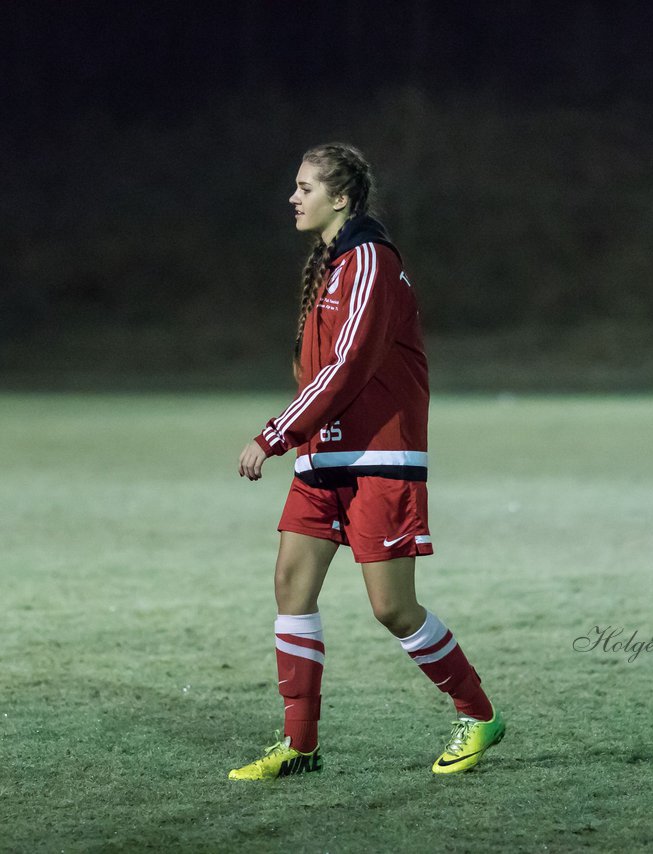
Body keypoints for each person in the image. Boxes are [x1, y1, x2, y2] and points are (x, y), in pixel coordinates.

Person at [229, 143, 504, 780]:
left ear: (341, 197)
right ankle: (300, 746)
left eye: (304, 187)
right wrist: (300, 439)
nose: (293, 198)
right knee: (291, 589)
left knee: (392, 609)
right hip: (323, 456)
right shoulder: (332, 264)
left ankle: (479, 713)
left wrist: (272, 435)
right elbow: (318, 370)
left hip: (381, 457)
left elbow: (347, 366)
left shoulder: (372, 261)